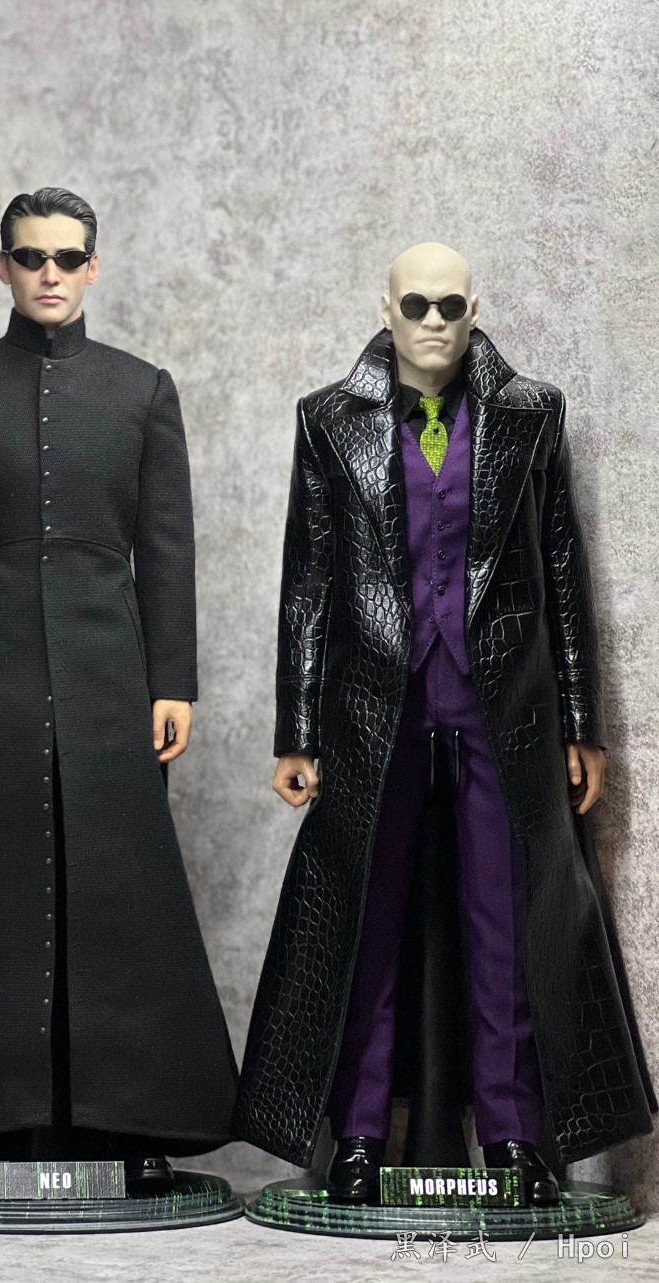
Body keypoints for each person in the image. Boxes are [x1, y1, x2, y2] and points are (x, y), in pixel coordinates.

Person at [232, 243, 655, 1207]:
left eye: (450, 305)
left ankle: (514, 1137)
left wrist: (580, 722)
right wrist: (296, 730)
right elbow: (307, 582)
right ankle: (356, 1135)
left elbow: (561, 569)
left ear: (473, 310)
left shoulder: (529, 413)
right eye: (416, 304)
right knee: (365, 919)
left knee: (505, 920)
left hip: (501, 700)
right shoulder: (328, 419)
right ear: (385, 310)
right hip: (371, 705)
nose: (433, 321)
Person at [0, 188, 237, 1187]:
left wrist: (173, 680)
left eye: (66, 258)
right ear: (2, 266)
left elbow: (167, 547)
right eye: (29, 256)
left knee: (123, 893)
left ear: (91, 268)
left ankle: (134, 1123)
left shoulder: (141, 390)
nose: (48, 273)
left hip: (113, 672)